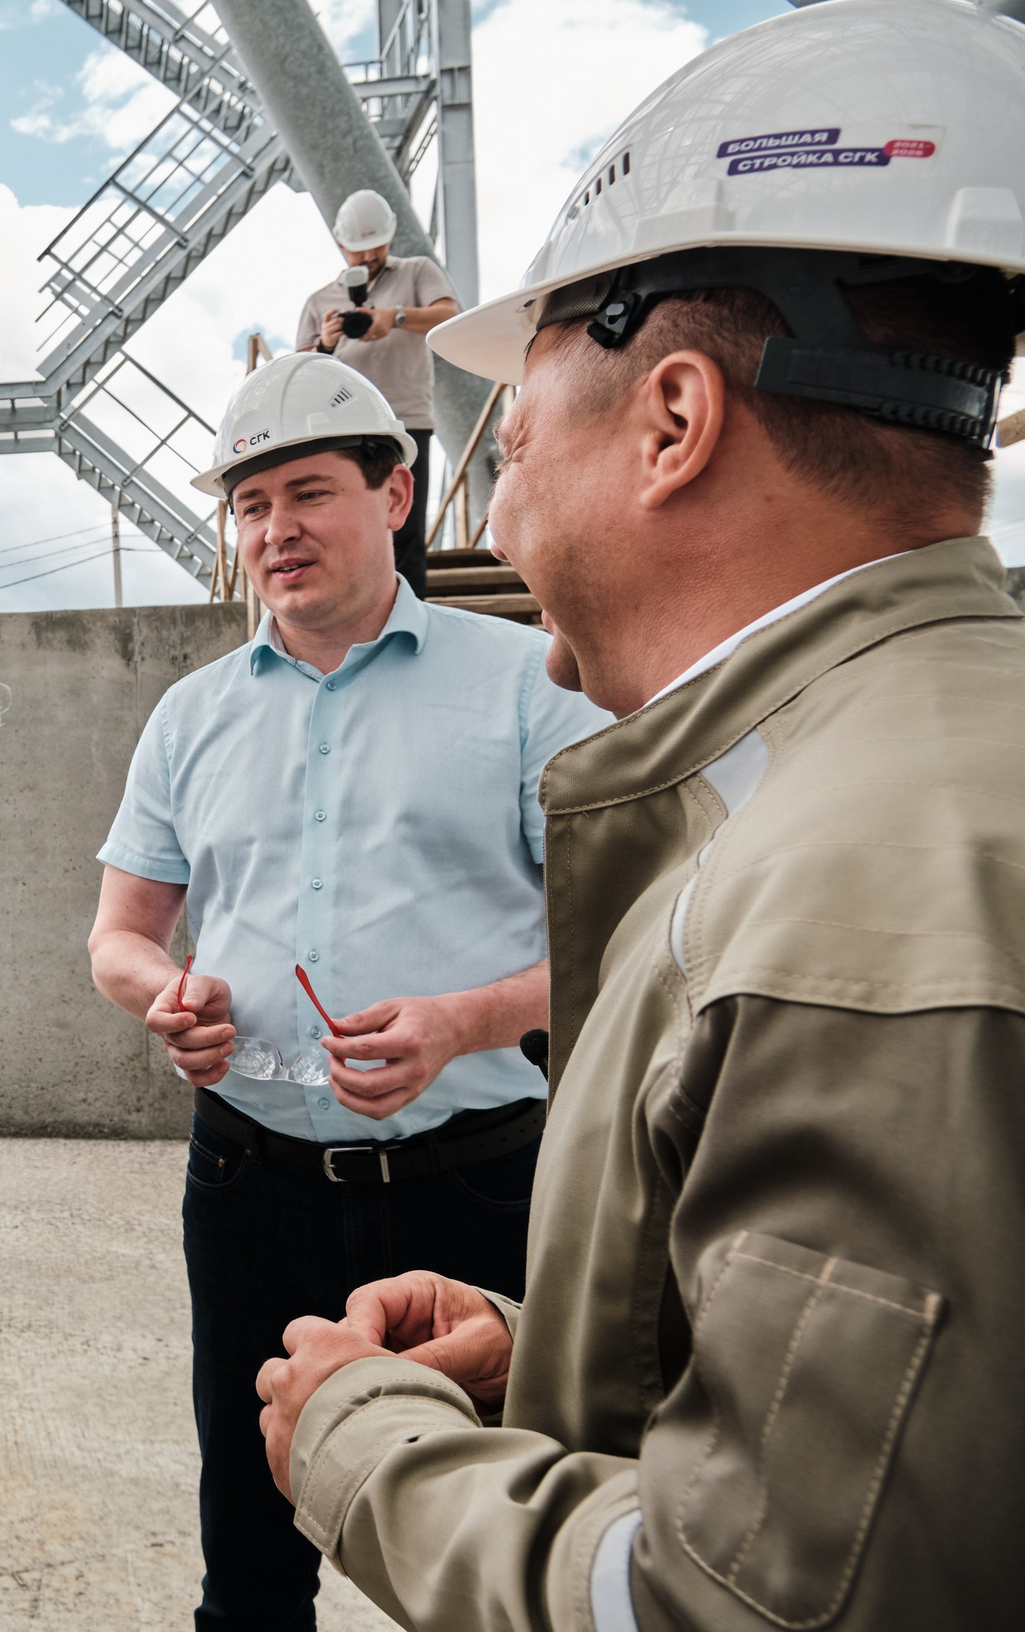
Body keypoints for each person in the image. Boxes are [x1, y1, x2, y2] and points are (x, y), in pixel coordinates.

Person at [251, 4, 1025, 1628]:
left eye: (522, 398)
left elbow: (739, 1602)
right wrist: (580, 1347)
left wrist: (366, 1440)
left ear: (673, 419)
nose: (500, 459)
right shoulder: (898, 777)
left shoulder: (858, 894)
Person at [86, 351, 607, 1629]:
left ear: (395, 492)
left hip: (479, 1190)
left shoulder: (528, 686)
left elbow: (622, 937)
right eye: (250, 505)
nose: (273, 532)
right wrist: (166, 994)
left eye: (306, 492)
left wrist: (464, 1023)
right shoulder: (190, 716)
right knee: (251, 1551)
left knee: (502, 1539)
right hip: (249, 1185)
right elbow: (118, 933)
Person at [297, 188, 459, 600]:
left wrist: (396, 317)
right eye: (359, 250)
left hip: (408, 420)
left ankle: (412, 628)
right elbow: (299, 375)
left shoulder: (417, 272)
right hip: (343, 430)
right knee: (344, 530)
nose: (369, 257)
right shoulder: (319, 302)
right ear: (340, 246)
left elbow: (450, 316)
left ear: (390, 237)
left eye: (377, 246)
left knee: (405, 532)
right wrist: (326, 344)